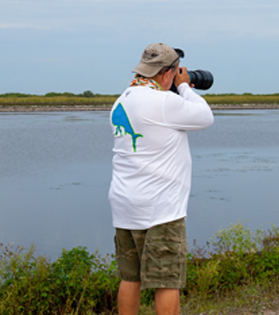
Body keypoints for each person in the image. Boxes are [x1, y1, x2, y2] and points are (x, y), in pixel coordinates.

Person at [108, 42, 214, 315]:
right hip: (160, 210)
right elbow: (205, 116)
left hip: (124, 205)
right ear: (167, 73)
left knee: (130, 277)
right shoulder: (164, 102)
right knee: (167, 282)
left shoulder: (122, 100)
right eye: (175, 73)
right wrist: (185, 85)